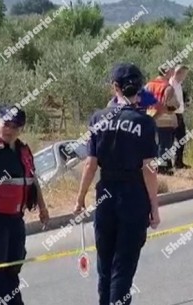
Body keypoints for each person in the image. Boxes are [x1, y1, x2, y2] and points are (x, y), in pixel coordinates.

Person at [73, 63, 160, 305]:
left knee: (105, 264)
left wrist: (80, 199)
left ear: (115, 87)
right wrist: (154, 205)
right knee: (123, 266)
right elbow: (149, 169)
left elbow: (90, 164)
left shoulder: (97, 118)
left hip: (106, 194)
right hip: (133, 196)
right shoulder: (144, 122)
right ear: (139, 88)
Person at [0, 105, 50, 305]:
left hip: (14, 218)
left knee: (14, 265)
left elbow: (32, 179)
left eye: (15, 126)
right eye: (6, 124)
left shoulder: (23, 150)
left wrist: (42, 207)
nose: (9, 130)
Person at [145, 67, 179, 175]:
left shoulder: (148, 85)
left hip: (150, 117)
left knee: (154, 144)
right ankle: (162, 168)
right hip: (165, 119)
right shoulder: (168, 87)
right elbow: (174, 105)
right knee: (165, 144)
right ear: (166, 73)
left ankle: (155, 166)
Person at [170, 65, 191, 169]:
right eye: (184, 74)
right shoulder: (171, 84)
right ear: (179, 73)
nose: (184, 77)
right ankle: (171, 163)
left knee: (181, 138)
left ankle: (179, 162)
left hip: (180, 113)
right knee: (172, 139)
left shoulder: (179, 84)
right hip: (173, 114)